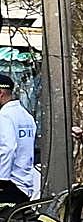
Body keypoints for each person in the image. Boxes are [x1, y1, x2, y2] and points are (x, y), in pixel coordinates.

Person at [0, 75, 36, 204]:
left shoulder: (4, 116)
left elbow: (7, 148)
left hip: (9, 184)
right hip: (24, 183)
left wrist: (1, 181)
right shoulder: (26, 115)